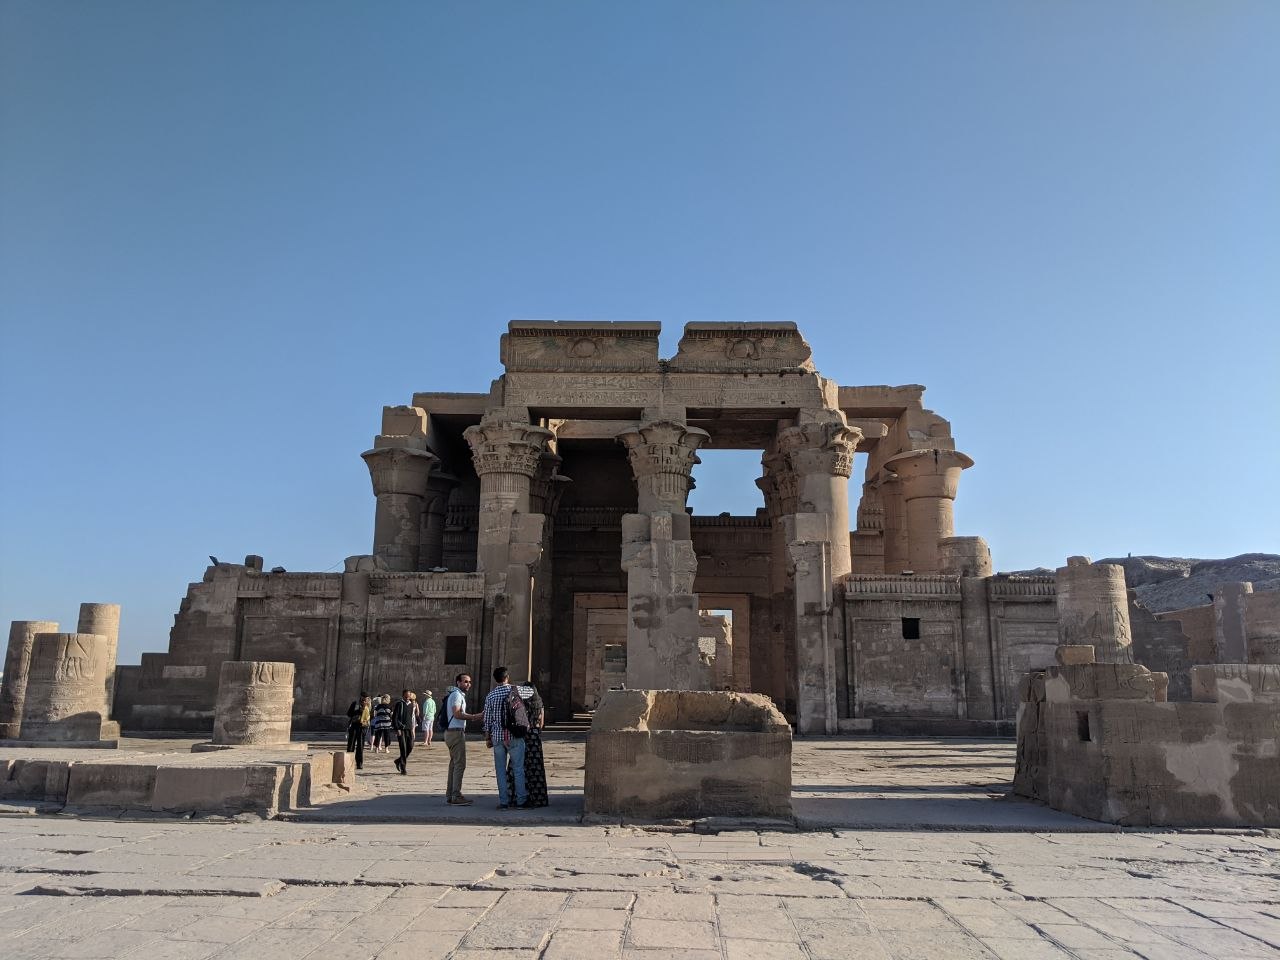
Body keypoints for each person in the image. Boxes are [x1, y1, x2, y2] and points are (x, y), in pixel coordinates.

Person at [484, 666, 529, 810]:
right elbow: (532, 692)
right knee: (518, 769)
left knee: (500, 770)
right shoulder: (516, 690)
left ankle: (504, 802)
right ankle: (521, 801)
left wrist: (487, 737)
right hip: (514, 735)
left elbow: (487, 719)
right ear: (507, 677)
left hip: (497, 737)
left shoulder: (490, 696)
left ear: (495, 679)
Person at [506, 682, 548, 807]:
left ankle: (516, 797)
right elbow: (541, 724)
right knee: (535, 768)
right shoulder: (539, 704)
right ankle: (537, 798)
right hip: (534, 737)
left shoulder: (519, 703)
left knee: (518, 766)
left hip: (521, 735)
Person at [443, 673, 482, 805]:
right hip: (455, 733)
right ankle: (456, 795)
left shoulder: (458, 695)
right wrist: (474, 716)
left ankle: (450, 794)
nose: (468, 684)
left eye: (469, 682)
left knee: (454, 764)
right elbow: (457, 713)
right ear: (458, 682)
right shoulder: (456, 695)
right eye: (465, 682)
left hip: (452, 732)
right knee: (460, 764)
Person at [392, 689, 416, 774]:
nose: (407, 697)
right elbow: (394, 718)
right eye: (406, 695)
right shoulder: (399, 704)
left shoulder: (411, 705)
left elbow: (411, 718)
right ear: (403, 695)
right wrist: (397, 729)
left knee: (410, 746)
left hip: (409, 729)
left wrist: (413, 729)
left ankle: (398, 761)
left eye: (409, 695)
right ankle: (403, 768)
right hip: (401, 730)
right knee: (403, 748)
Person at [345, 692, 371, 770]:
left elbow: (370, 716)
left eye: (366, 699)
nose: (364, 700)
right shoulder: (355, 704)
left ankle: (359, 763)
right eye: (363, 698)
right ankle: (348, 762)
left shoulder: (369, 705)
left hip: (362, 727)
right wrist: (359, 711)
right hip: (354, 726)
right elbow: (349, 714)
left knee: (360, 746)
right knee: (351, 745)